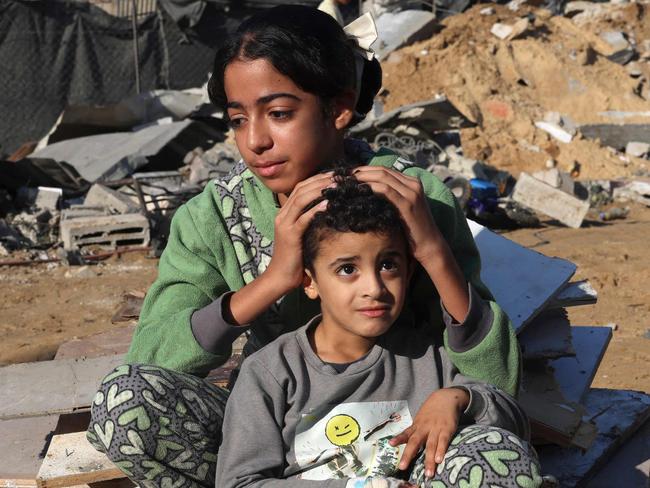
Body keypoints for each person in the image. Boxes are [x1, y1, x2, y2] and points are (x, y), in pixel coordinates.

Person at [86, 5, 521, 487]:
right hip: (271, 430)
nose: (254, 141)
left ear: (338, 108)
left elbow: (497, 381)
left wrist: (432, 249)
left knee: (497, 455)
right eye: (236, 120)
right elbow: (150, 360)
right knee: (124, 402)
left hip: (406, 434)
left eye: (278, 114)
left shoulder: (411, 199)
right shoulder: (211, 218)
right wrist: (273, 281)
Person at [215, 173, 541, 487]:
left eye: (388, 265)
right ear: (309, 280)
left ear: (409, 270)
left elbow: (511, 429)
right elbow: (240, 482)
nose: (373, 287)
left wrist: (459, 397)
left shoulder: (427, 360)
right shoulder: (271, 373)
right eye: (347, 269)